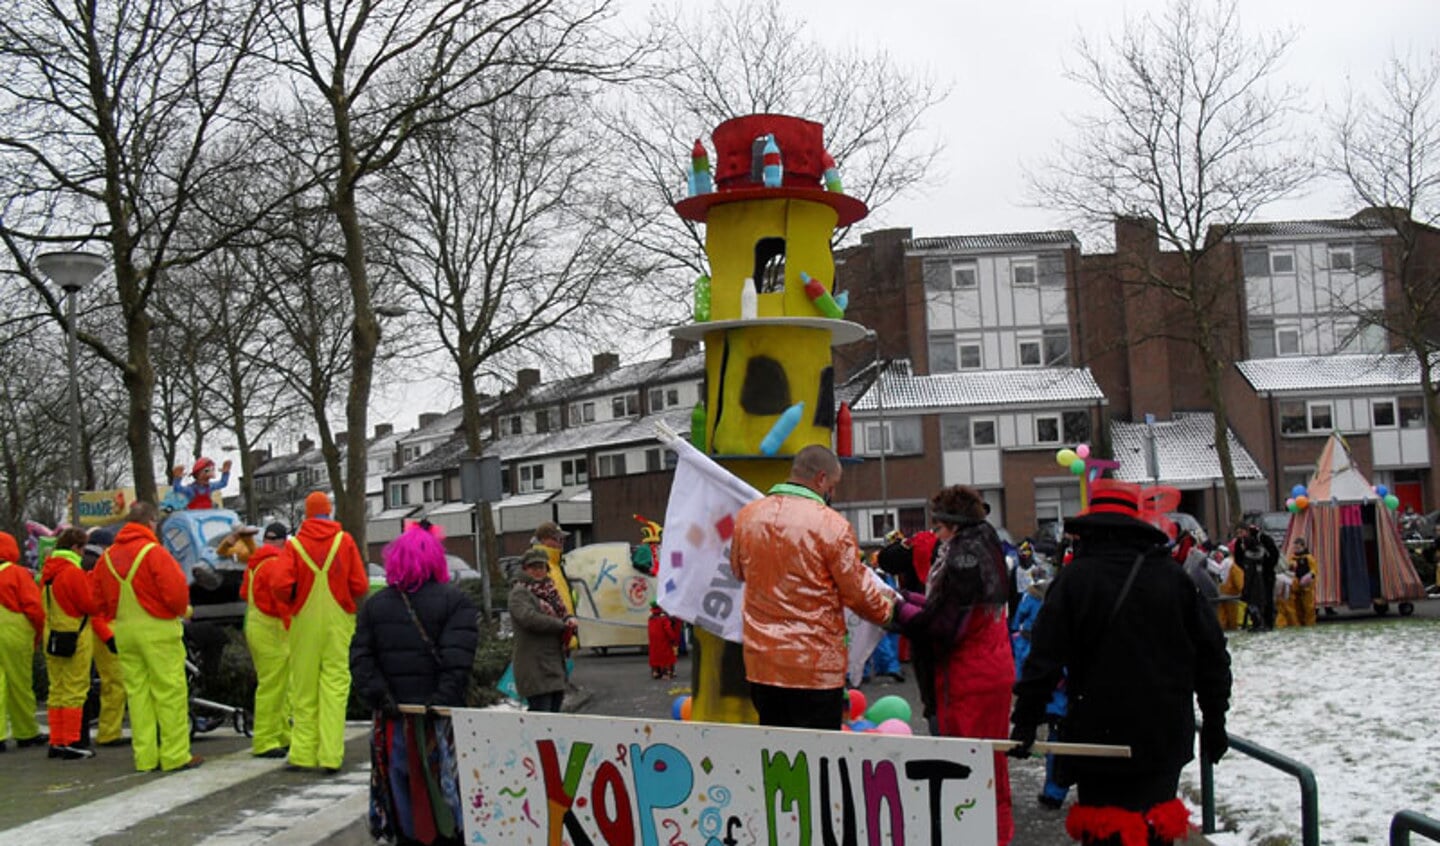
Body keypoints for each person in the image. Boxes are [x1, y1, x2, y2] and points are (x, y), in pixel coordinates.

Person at [1011, 480, 1232, 846]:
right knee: (1153, 829)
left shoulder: (1075, 580)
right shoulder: (1174, 579)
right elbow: (1212, 657)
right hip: (1162, 736)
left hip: (1098, 737)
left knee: (1107, 830)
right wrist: (1215, 721)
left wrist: (1026, 722)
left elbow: (1044, 660)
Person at [730, 445, 901, 730]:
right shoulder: (832, 525)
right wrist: (890, 611)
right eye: (833, 486)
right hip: (815, 666)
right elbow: (857, 592)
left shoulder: (748, 517)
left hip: (762, 663)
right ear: (821, 479)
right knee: (818, 757)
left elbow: (737, 571)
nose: (832, 494)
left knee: (776, 752)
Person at [893, 484, 1015, 845]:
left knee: (973, 767)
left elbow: (944, 626)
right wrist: (905, 598)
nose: (936, 531)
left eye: (940, 524)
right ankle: (992, 835)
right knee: (990, 764)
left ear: (955, 523)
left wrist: (897, 610)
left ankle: (984, 836)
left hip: (969, 678)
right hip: (989, 668)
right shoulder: (982, 544)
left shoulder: (964, 558)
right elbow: (944, 607)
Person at [352, 524, 478, 846]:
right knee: (445, 793)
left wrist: (381, 696)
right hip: (440, 724)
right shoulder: (456, 602)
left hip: (393, 722)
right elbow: (457, 661)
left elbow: (360, 659)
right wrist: (440, 702)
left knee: (399, 791)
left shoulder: (375, 606)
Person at [91, 502, 201, 772]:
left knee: (137, 695)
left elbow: (97, 601)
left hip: (125, 631)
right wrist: (182, 610)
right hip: (158, 631)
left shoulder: (107, 558)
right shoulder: (154, 553)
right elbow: (176, 594)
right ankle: (175, 755)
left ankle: (146, 757)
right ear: (151, 522)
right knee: (169, 692)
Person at [272, 490, 368, 772]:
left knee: (303, 688)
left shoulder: (295, 546)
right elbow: (360, 585)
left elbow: (279, 585)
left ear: (307, 513)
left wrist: (293, 600)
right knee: (335, 687)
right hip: (338, 622)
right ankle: (330, 755)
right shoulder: (344, 541)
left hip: (304, 622)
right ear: (329, 511)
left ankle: (302, 753)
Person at [41, 527, 101, 759]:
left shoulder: (48, 572)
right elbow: (89, 605)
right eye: (83, 548)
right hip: (74, 634)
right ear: (76, 548)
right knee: (76, 690)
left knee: (56, 689)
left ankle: (56, 741)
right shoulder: (72, 572)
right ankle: (73, 741)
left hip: (52, 634)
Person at [877, 527, 939, 732]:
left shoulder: (959, 552)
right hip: (928, 629)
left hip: (937, 633)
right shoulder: (926, 543)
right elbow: (888, 560)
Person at [243, 522, 293, 758]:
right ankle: (265, 740)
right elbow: (281, 601)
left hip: (255, 623)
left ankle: (281, 734)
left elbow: (245, 593)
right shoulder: (276, 563)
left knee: (276, 684)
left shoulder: (255, 563)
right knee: (274, 686)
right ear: (285, 541)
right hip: (272, 629)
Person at [507, 549, 577, 712]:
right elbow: (529, 618)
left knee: (553, 717)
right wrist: (560, 624)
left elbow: (562, 613)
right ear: (525, 569)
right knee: (541, 718)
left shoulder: (550, 592)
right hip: (534, 667)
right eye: (533, 567)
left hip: (553, 665)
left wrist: (568, 620)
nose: (538, 571)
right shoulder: (519, 593)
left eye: (542, 567)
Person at [0, 530, 46, 751]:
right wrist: (37, 634)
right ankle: (26, 732)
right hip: (14, 630)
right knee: (20, 683)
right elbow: (34, 608)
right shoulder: (17, 574)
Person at [82, 531, 128, 747]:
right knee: (115, 683)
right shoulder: (98, 567)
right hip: (105, 630)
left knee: (110, 682)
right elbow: (96, 609)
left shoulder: (85, 564)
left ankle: (108, 730)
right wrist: (109, 637)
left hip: (95, 630)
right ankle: (109, 733)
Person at [647, 602, 680, 680]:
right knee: (666, 657)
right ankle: (666, 673)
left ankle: (656, 672)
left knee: (655, 656)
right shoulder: (664, 618)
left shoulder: (651, 618)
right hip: (664, 640)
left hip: (654, 641)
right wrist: (673, 638)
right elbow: (668, 630)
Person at [1290, 537, 1318, 627]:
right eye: (1295, 547)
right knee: (1297, 605)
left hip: (1307, 586)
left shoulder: (1309, 558)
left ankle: (1310, 623)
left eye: (1298, 548)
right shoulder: (1292, 558)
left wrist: (1310, 576)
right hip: (1296, 584)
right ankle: (1299, 622)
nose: (1296, 549)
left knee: (1308, 606)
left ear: (1303, 547)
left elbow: (1314, 570)